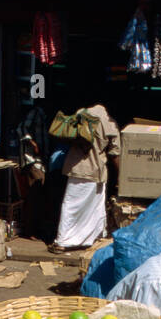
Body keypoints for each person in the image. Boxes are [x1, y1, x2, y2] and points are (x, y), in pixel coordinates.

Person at [52, 103, 120, 252]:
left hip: (76, 168)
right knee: (95, 207)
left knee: (71, 205)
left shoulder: (81, 113)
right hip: (96, 170)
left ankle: (63, 241)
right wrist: (121, 177)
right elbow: (115, 153)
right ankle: (85, 239)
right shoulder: (110, 123)